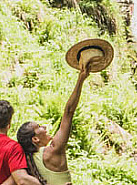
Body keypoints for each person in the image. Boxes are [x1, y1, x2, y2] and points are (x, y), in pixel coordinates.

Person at [10, 56, 99, 185]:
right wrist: (81, 78)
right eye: (39, 126)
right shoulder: (53, 151)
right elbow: (68, 111)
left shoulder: (25, 164)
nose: (45, 127)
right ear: (35, 139)